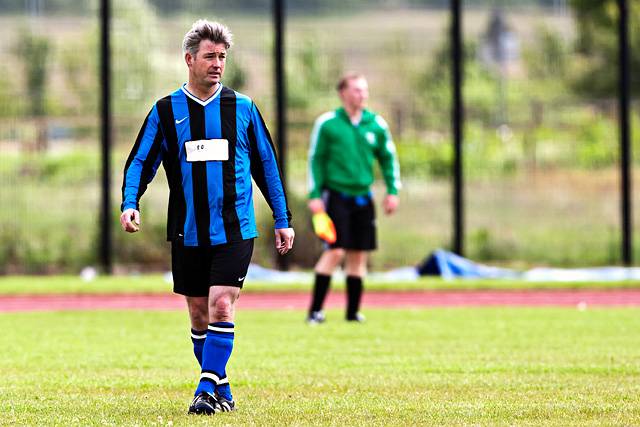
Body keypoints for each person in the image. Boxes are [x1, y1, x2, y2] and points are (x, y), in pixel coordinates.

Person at [120, 20, 294, 415]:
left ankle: (203, 388)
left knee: (220, 305)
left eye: (222, 57)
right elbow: (139, 163)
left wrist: (282, 217)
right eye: (210, 57)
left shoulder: (243, 108)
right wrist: (130, 202)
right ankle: (223, 386)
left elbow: (267, 166)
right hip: (187, 229)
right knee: (199, 313)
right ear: (189, 60)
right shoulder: (165, 111)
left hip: (236, 228)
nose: (217, 64)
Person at [306, 73, 401, 324]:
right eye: (357, 90)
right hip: (335, 196)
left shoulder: (376, 125)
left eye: (365, 90)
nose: (363, 95)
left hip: (363, 197)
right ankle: (315, 311)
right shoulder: (328, 124)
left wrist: (393, 190)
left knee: (359, 255)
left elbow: (388, 159)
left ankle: (352, 313)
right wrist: (314, 195)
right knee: (335, 251)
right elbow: (315, 160)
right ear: (343, 93)